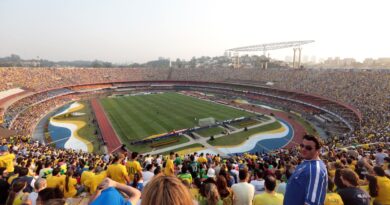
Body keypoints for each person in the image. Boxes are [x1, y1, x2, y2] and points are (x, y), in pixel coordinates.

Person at [284, 135, 328, 205]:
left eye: (308, 148)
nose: (303, 149)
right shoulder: (307, 162)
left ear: (318, 150)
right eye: (302, 145)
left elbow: (312, 203)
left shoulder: (316, 170)